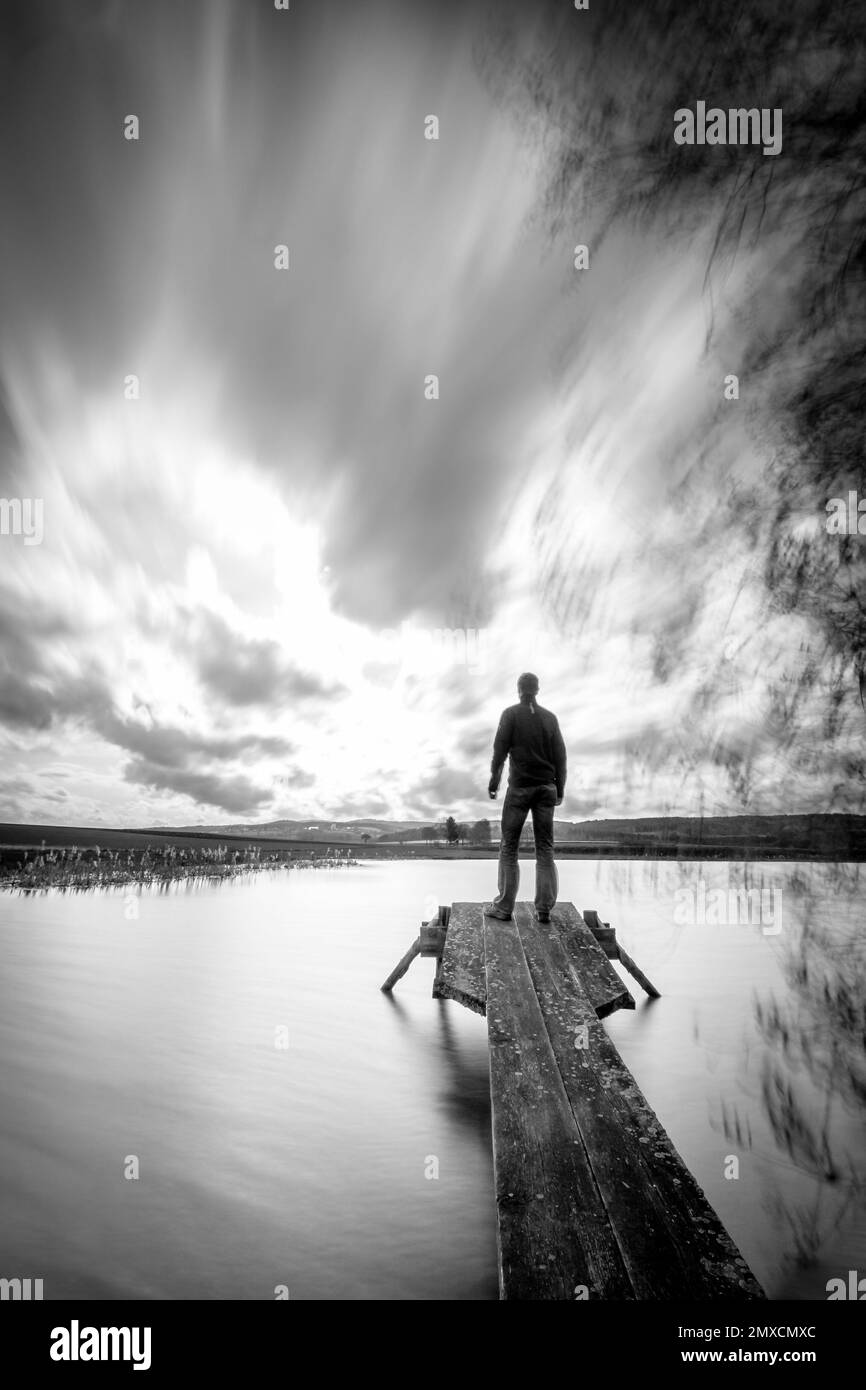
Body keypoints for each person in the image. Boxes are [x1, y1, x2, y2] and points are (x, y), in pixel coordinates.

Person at [485, 672, 566, 923]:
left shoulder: (510, 715)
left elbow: (499, 752)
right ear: (537, 690)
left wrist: (494, 782)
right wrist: (560, 789)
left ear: (519, 689)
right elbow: (560, 757)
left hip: (520, 788)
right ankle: (543, 909)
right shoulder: (550, 718)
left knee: (509, 846)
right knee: (545, 848)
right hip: (546, 788)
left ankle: (504, 907)